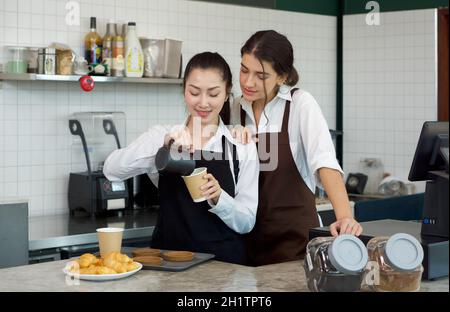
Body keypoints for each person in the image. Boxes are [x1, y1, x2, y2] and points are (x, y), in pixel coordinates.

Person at [103, 52, 259, 265]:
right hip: (168, 267)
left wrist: (219, 198)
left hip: (225, 271)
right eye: (194, 92)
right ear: (184, 89)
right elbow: (111, 169)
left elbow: (246, 222)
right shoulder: (162, 136)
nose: (203, 103)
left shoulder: (240, 145)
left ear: (226, 93)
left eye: (213, 94)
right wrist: (164, 148)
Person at [229, 30, 363, 266]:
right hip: (244, 243)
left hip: (294, 245)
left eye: (261, 75)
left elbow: (324, 162)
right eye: (243, 70)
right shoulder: (233, 108)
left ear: (282, 77)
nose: (248, 82)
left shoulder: (300, 104)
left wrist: (344, 217)